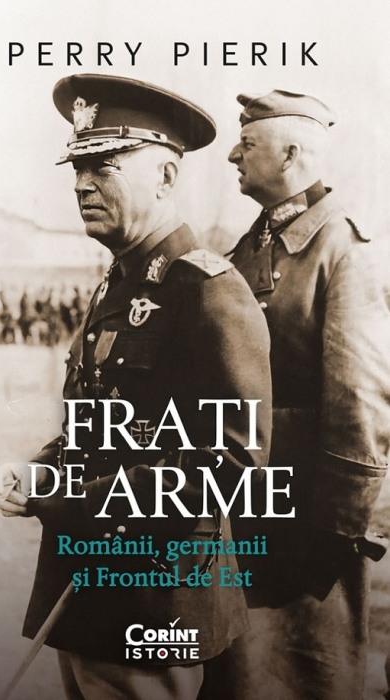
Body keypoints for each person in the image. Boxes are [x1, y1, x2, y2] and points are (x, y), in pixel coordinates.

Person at [0, 74, 272, 700]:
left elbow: (233, 465)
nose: (81, 184)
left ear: (166, 176)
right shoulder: (119, 285)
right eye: (78, 167)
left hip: (154, 597)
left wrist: (74, 502)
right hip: (88, 591)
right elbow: (100, 423)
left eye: (105, 165)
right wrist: (43, 471)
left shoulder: (207, 292)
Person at [202, 90, 390, 700]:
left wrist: (336, 530)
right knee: (239, 679)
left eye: (246, 143)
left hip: (308, 521)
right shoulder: (248, 247)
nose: (232, 155)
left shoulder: (342, 247)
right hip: (242, 508)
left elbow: (360, 399)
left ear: (290, 154)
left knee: (307, 677)